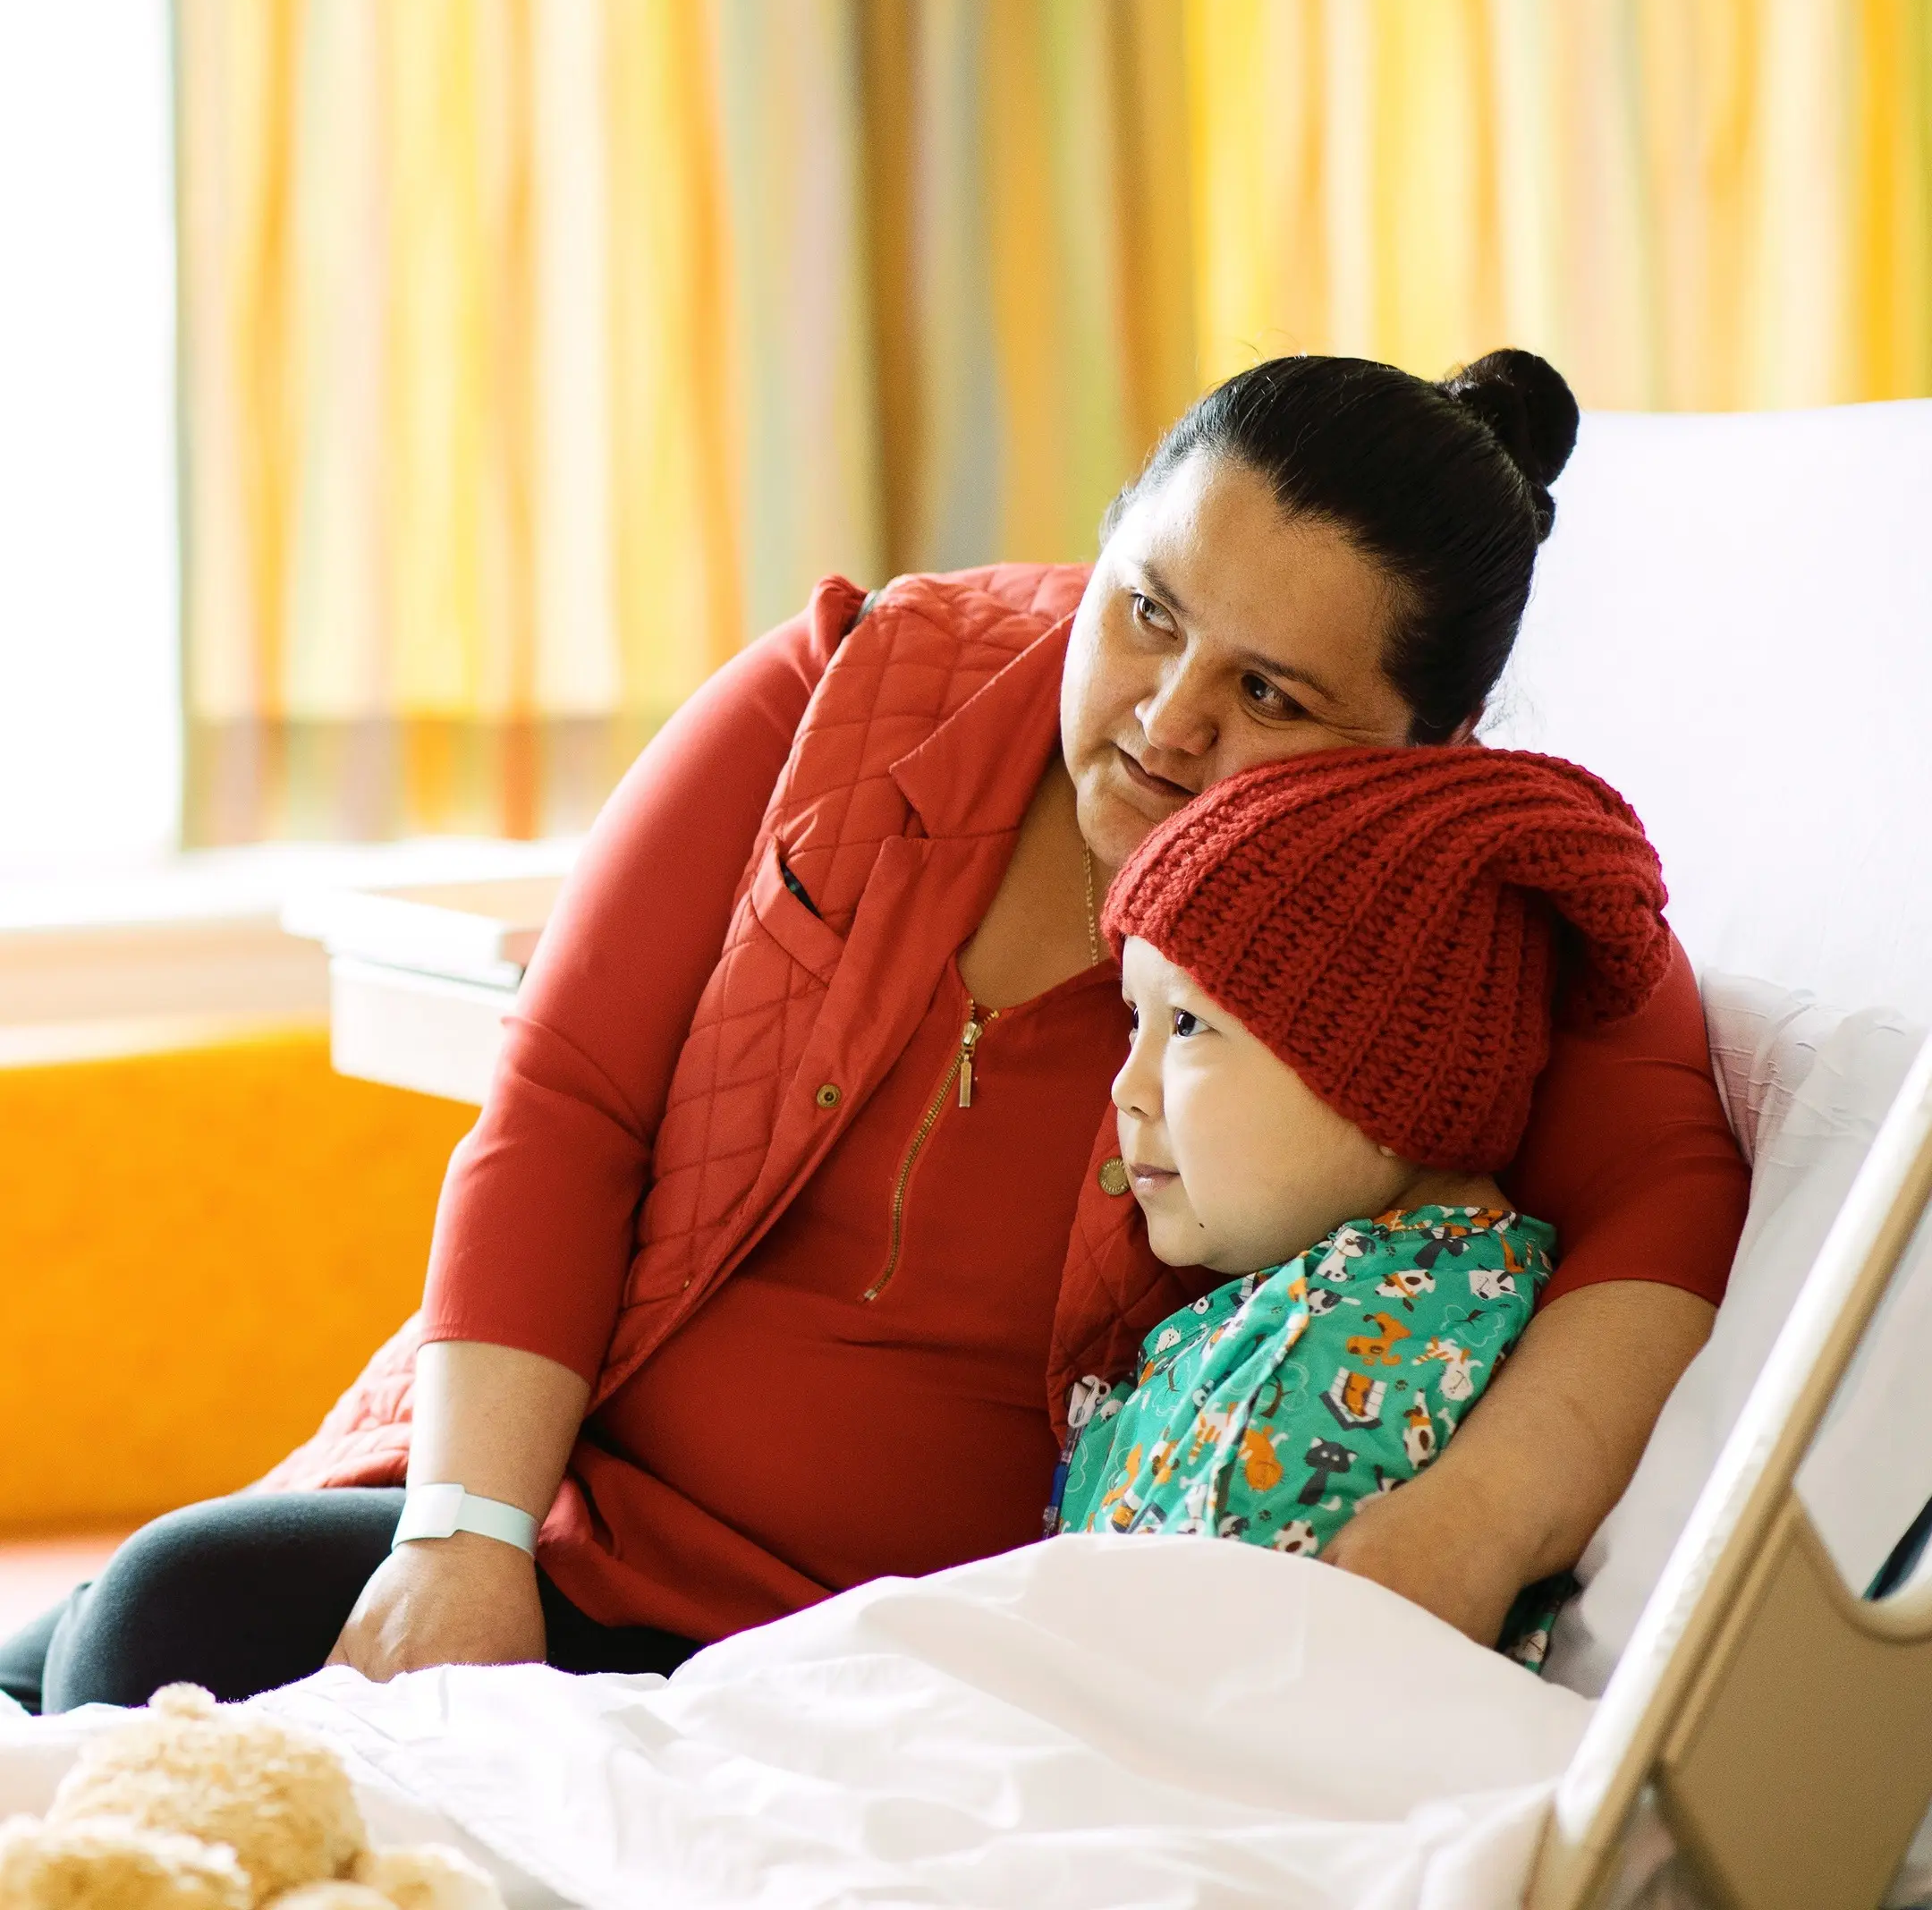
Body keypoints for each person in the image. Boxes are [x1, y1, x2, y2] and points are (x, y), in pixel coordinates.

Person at [0, 350, 1749, 1715]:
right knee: (151, 1621)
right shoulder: (853, 682)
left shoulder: (1470, 892)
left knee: (137, 1625)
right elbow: (568, 1099)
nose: (1168, 717)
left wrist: (1453, 1543)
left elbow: (1665, 1200)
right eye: (1147, 611)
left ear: (1417, 753)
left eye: (1272, 698)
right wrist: (463, 1541)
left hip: (918, 1652)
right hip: (569, 1533)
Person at [1050, 743, 1671, 1671]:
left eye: (1186, 1026)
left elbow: (1163, 1689)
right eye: (1131, 1022)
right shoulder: (1392, 1282)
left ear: (1390, 1087)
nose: (1126, 1088)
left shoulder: (1323, 1363)